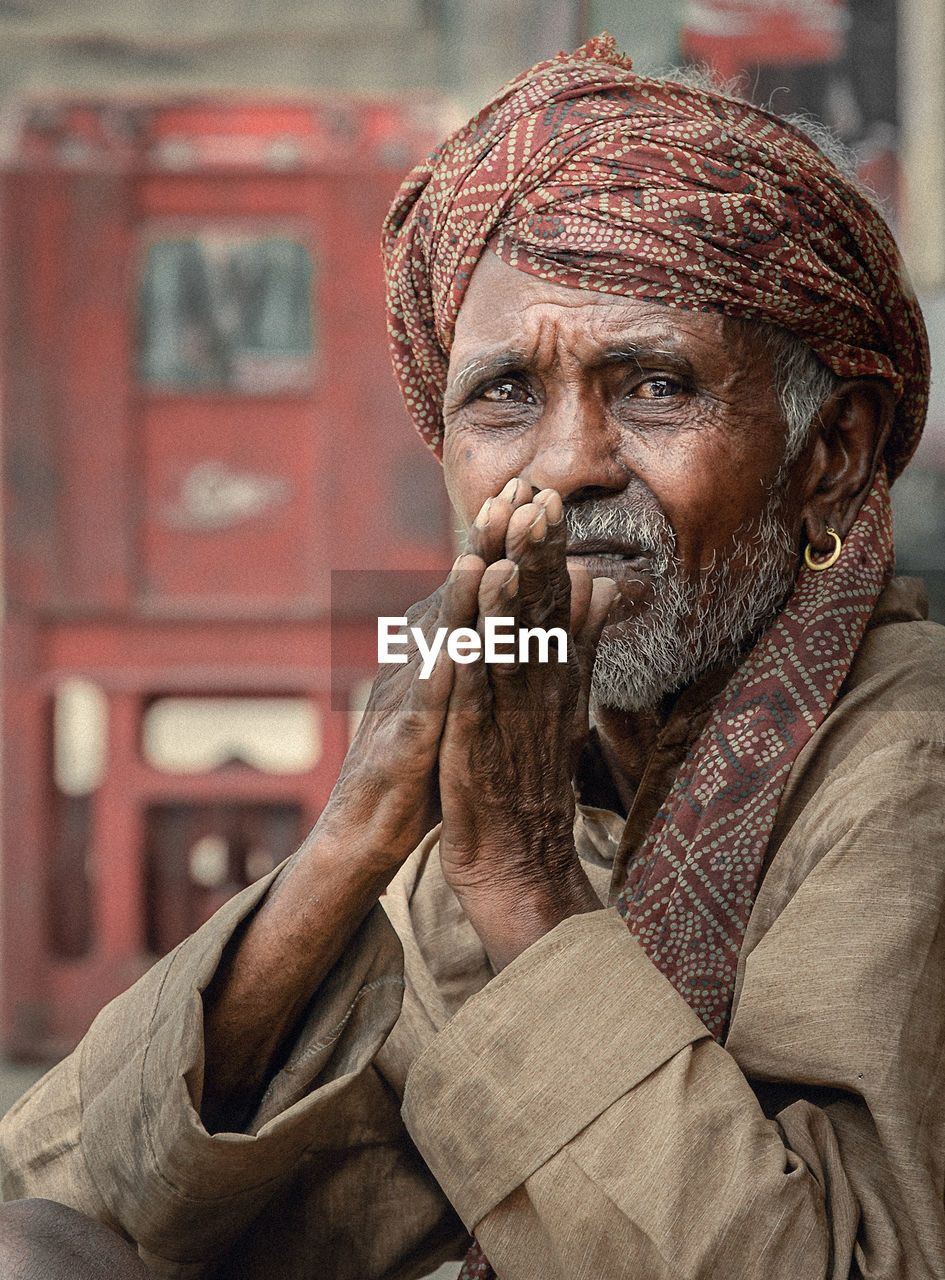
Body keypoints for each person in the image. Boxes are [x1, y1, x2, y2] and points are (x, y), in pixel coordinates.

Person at [1, 34, 943, 1280]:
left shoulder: (904, 765)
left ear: (830, 453)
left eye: (654, 384)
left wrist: (523, 881)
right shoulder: (523, 750)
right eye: (504, 398)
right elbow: (63, 1190)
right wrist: (351, 835)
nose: (566, 466)